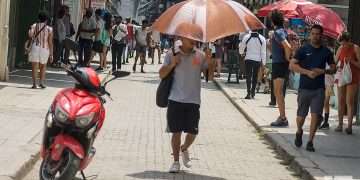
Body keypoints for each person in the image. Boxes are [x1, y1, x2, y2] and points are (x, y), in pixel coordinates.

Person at [159, 32, 214, 173]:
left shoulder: (200, 55)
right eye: (191, 37)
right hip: (175, 99)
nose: (194, 40)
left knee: (193, 132)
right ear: (182, 38)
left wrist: (210, 61)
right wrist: (172, 64)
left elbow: (210, 77)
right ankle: (176, 161)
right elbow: (161, 74)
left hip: (193, 100)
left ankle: (184, 148)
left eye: (196, 38)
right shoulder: (172, 54)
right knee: (175, 132)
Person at [290, 25, 336, 152]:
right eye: (313, 34)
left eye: (318, 34)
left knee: (316, 116)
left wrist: (323, 71)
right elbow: (292, 65)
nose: (315, 36)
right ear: (310, 35)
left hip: (319, 89)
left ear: (321, 35)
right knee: (301, 117)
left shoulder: (326, 52)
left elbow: (334, 68)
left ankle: (310, 141)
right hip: (304, 88)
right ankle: (299, 131)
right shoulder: (303, 50)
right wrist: (306, 72)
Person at [269, 11, 292, 127]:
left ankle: (283, 118)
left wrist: (287, 59)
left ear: (272, 21)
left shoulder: (278, 32)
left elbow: (287, 46)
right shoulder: (280, 31)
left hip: (279, 64)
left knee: (278, 92)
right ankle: (282, 117)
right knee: (278, 92)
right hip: (279, 64)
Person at [334, 32, 360, 134]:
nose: (343, 45)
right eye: (342, 43)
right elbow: (335, 61)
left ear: (349, 41)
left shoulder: (355, 48)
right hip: (341, 76)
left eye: (345, 43)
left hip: (352, 77)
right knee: (341, 100)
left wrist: (352, 61)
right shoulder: (340, 48)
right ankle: (340, 124)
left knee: (349, 101)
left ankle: (349, 126)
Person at [28, 11, 53, 89]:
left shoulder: (34, 26)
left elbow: (30, 35)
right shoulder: (49, 29)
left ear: (39, 18)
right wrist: (51, 54)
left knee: (34, 66)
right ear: (46, 20)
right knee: (43, 66)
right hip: (45, 48)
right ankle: (41, 83)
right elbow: (50, 42)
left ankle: (34, 84)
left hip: (35, 47)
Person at [239, 31, 266, 99]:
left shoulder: (246, 37)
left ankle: (248, 93)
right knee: (255, 76)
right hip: (257, 60)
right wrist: (264, 63)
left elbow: (242, 47)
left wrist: (241, 52)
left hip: (248, 58)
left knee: (248, 76)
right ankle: (253, 92)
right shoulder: (262, 38)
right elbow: (263, 52)